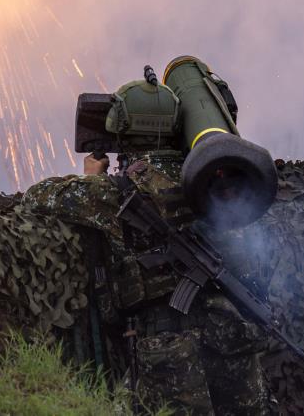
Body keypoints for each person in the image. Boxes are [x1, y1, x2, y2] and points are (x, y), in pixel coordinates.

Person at [23, 73, 271, 415]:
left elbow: (38, 196)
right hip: (231, 333)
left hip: (168, 347)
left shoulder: (119, 190)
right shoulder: (212, 176)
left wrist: (90, 178)